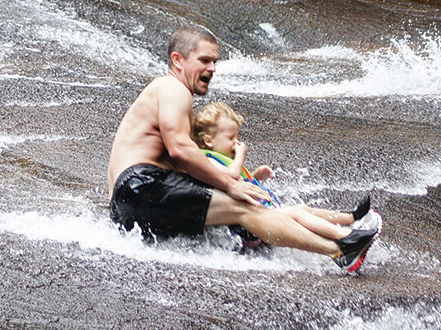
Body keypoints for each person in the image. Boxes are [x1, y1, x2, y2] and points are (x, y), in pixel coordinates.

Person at [107, 25, 379, 272]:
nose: (212, 68)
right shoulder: (172, 89)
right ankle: (340, 251)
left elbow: (182, 162)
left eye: (215, 61)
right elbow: (179, 149)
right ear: (178, 60)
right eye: (204, 60)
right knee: (242, 206)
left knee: (234, 210)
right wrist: (230, 184)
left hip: (128, 206)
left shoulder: (164, 93)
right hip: (140, 187)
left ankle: (342, 235)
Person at [191, 101, 371, 242]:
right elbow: (229, 176)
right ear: (208, 141)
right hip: (247, 227)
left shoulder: (223, 158)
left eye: (238, 137)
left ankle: (349, 218)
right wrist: (240, 157)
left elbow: (235, 186)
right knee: (297, 214)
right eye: (231, 138)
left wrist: (254, 177)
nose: (237, 143)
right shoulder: (207, 160)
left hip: (258, 216)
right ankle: (345, 237)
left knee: (302, 208)